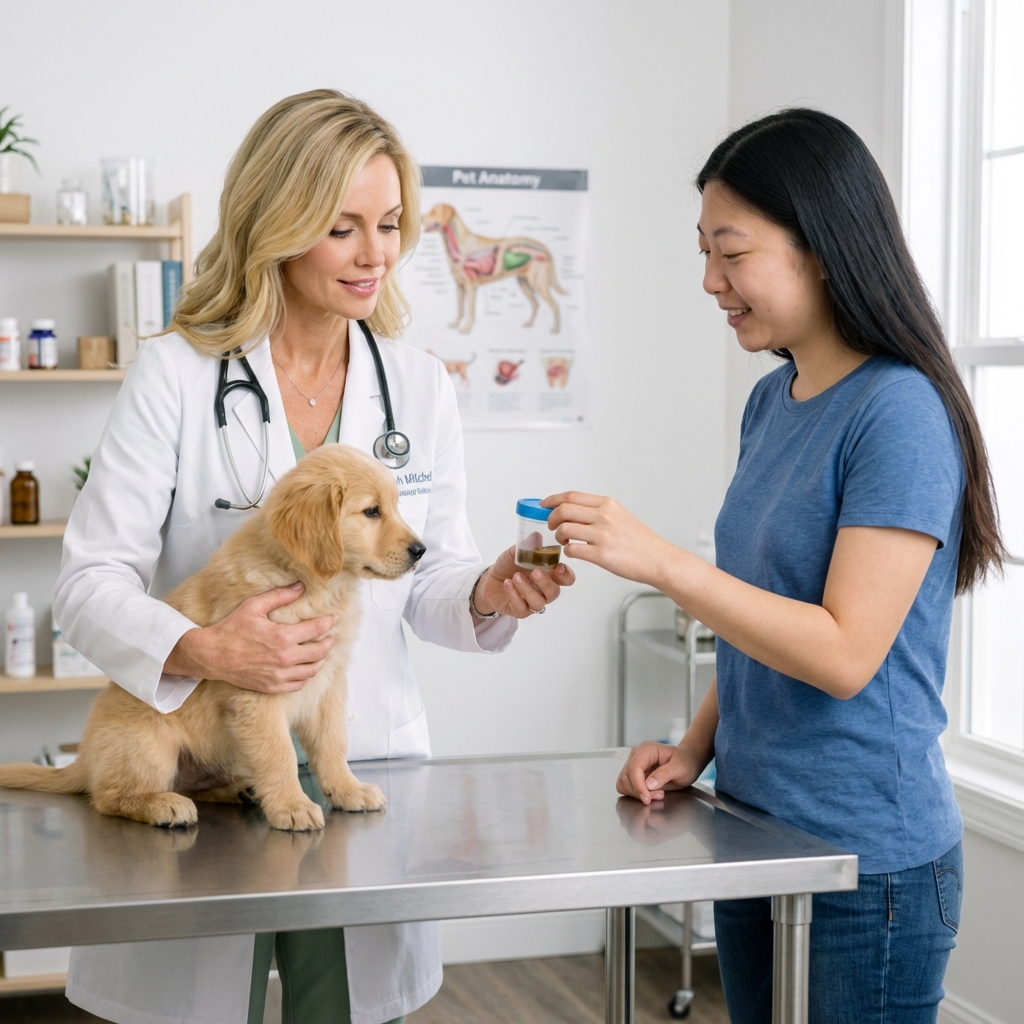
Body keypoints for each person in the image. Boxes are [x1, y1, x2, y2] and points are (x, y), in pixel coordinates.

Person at [54, 89, 573, 1024]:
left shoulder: (414, 383)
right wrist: (202, 649)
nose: (377, 253)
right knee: (198, 1005)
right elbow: (88, 583)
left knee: (344, 1008)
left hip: (354, 765)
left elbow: (431, 577)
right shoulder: (177, 372)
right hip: (204, 772)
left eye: (389, 224)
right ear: (279, 223)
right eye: (343, 228)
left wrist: (490, 590)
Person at [545, 110, 1004, 1023]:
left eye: (732, 252)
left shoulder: (899, 414)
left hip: (865, 864)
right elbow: (763, 617)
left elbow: (841, 654)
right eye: (704, 253)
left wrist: (664, 563)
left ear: (822, 249)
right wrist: (694, 750)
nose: (711, 282)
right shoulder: (775, 400)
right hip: (757, 832)